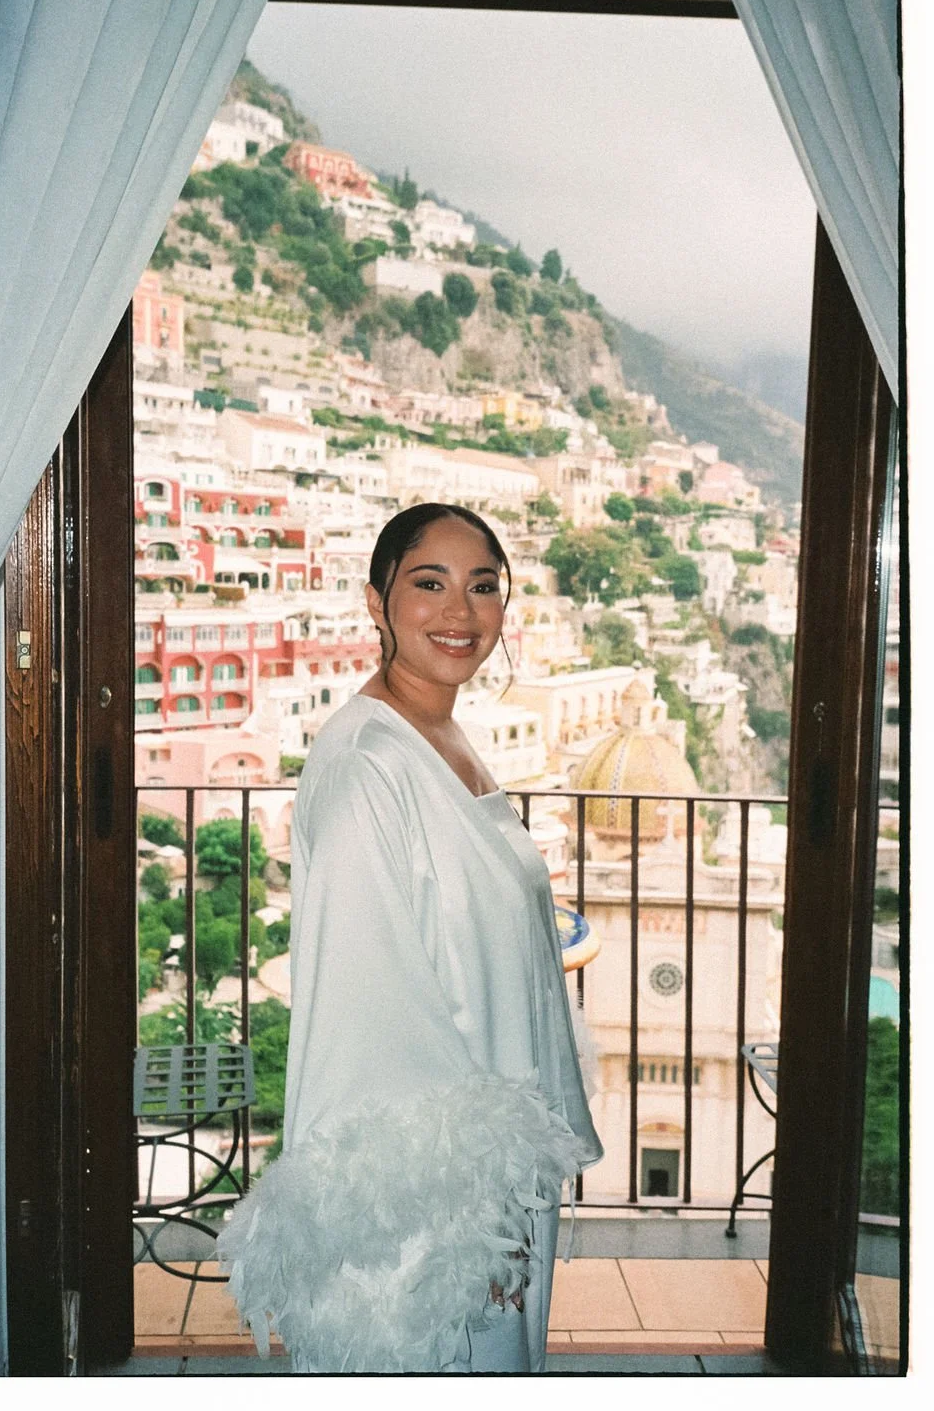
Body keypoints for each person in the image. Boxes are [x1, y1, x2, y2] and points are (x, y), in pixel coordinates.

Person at [219, 503, 603, 1373]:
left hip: (487, 1166)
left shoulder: (442, 731)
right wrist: (477, 1225)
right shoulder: (366, 769)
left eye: (483, 588)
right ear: (376, 601)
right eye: (429, 583)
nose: (459, 613)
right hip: (431, 1217)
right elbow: (380, 1020)